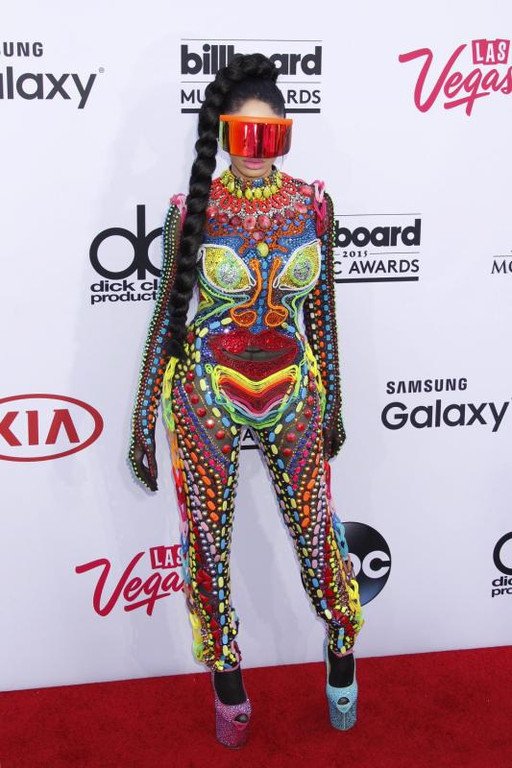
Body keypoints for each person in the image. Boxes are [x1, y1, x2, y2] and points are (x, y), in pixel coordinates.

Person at [129, 52, 365, 748]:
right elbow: (167, 320)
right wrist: (142, 418)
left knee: (317, 532)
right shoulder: (191, 209)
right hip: (205, 388)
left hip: (292, 386)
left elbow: (322, 315)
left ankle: (343, 654)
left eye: (272, 135)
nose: (257, 150)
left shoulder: (313, 205)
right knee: (207, 540)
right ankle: (228, 683)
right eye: (243, 134)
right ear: (221, 133)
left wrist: (334, 403)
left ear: (287, 135)